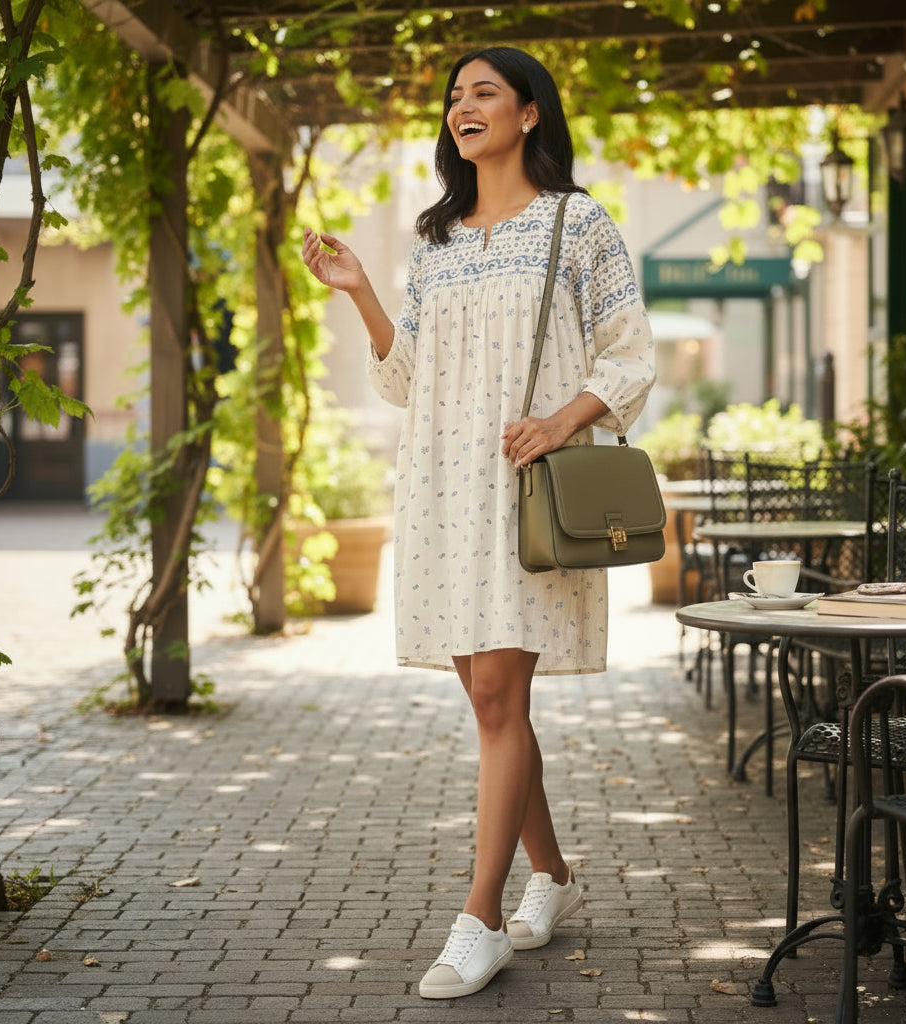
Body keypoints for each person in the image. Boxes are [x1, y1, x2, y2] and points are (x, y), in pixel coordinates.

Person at [301, 46, 655, 1000]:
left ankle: (480, 916)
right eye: (455, 96)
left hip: (528, 487)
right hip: (445, 491)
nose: (464, 106)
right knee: (492, 705)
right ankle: (556, 875)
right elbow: (405, 381)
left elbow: (629, 357)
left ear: (530, 114)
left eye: (484, 92)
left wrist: (559, 422)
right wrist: (363, 292)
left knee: (500, 700)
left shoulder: (578, 226)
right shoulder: (438, 245)